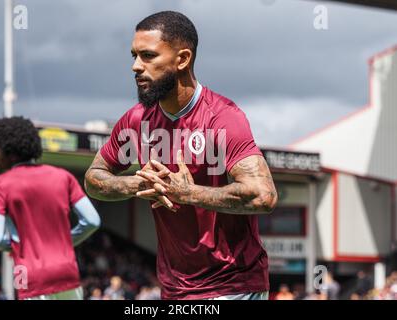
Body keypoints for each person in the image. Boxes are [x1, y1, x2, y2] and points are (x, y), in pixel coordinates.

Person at [85, 11, 277, 300]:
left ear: (183, 59)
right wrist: (137, 185)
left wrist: (187, 193)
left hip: (233, 286)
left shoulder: (223, 118)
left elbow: (263, 196)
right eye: (134, 56)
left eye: (148, 56)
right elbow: (93, 179)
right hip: (175, 289)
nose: (136, 66)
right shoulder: (137, 121)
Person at [0, 116, 101, 300]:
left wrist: (21, 247)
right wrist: (64, 242)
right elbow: (93, 221)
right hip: (66, 271)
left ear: (10, 152)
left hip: (28, 274)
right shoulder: (64, 177)